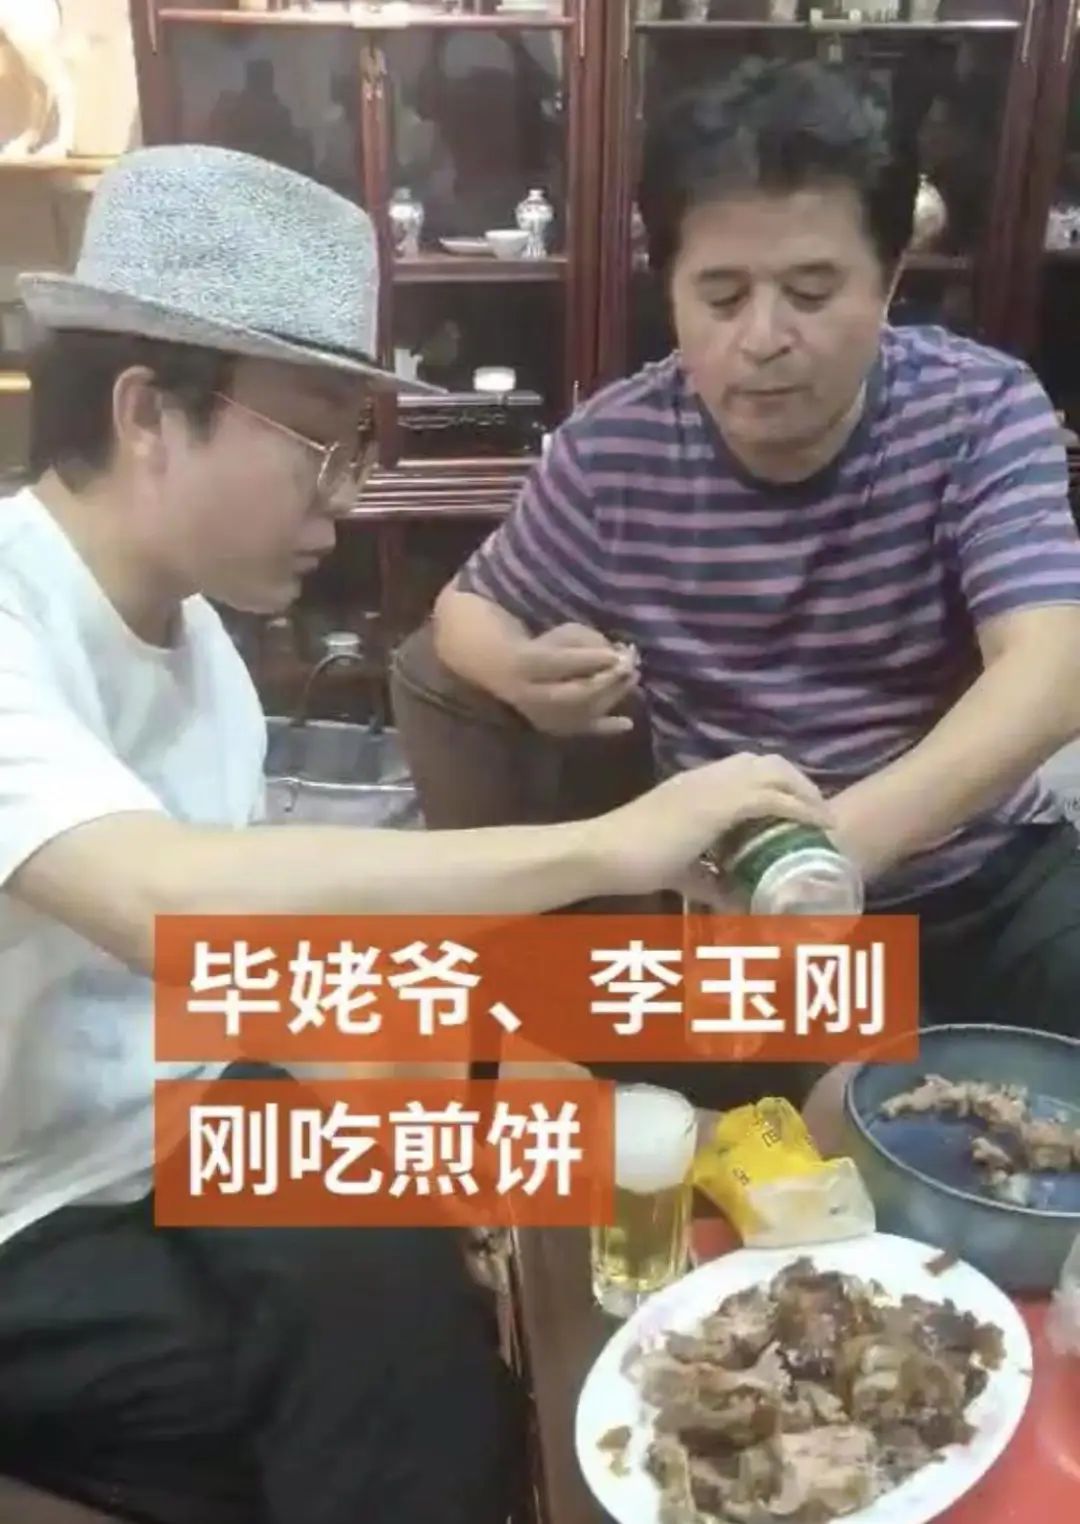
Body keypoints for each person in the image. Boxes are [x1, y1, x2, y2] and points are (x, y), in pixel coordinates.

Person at [0, 143, 829, 1524]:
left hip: (182, 1124)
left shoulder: (200, 647)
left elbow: (243, 967)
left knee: (443, 1344)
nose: (347, 495)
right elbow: (165, 904)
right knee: (318, 1413)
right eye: (323, 443)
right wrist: (608, 844)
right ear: (148, 412)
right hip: (28, 1205)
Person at [430, 58, 1080, 1043]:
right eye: (722, 297)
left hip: (986, 871)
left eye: (811, 291)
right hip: (754, 907)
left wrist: (841, 846)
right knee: (849, 1116)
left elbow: (1052, 670)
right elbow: (462, 610)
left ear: (890, 282)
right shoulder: (617, 450)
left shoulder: (979, 409)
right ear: (671, 291)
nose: (765, 337)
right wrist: (519, 672)